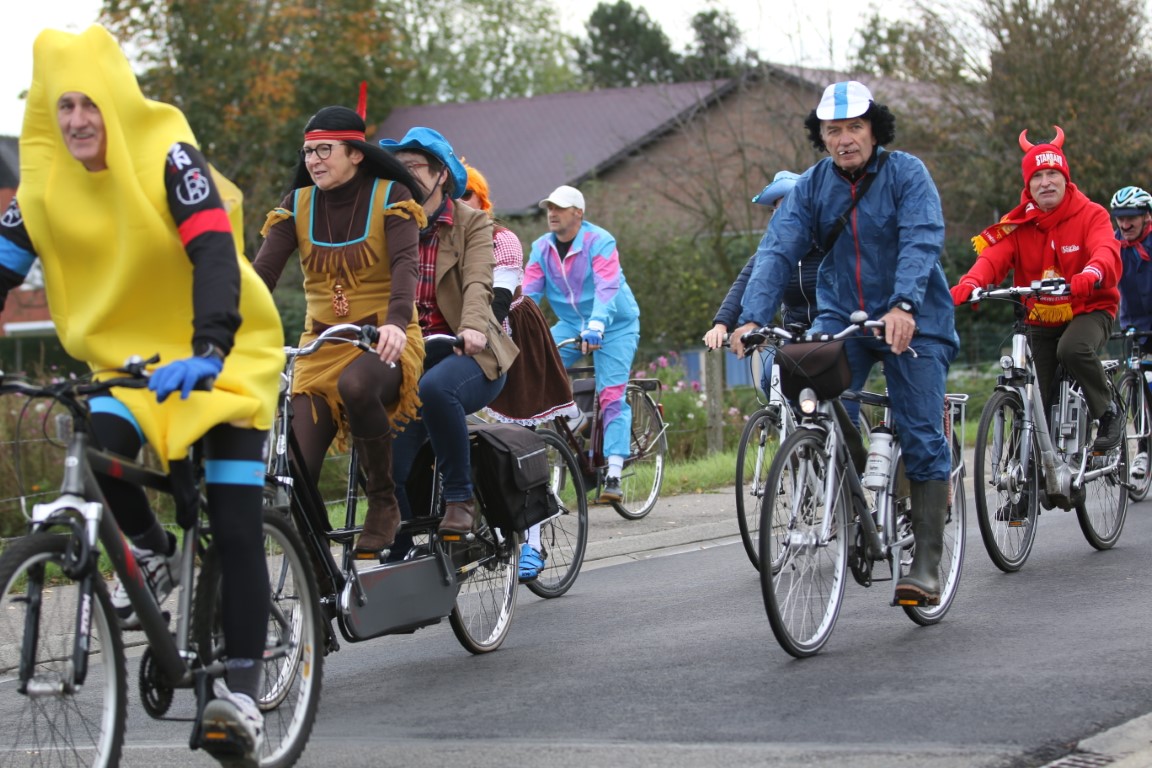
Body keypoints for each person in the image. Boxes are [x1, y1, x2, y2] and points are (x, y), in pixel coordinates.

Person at [0, 25, 284, 763]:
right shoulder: (41, 187)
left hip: (223, 355)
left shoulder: (168, 157)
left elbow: (214, 252)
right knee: (97, 446)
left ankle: (241, 696)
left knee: (234, 520)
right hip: (130, 368)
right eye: (62, 106)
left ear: (114, 100)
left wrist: (211, 347)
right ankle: (154, 556)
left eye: (88, 103)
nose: (76, 121)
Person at [735, 80, 958, 605]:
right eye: (833, 130)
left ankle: (926, 562)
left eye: (854, 127)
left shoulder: (907, 173)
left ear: (874, 130)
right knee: (810, 392)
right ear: (823, 137)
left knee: (920, 430)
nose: (844, 139)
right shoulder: (814, 185)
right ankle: (858, 493)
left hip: (915, 316)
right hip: (843, 315)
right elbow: (776, 249)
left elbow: (921, 238)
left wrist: (904, 304)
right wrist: (751, 317)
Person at [252, 103, 426, 559]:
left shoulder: (391, 197)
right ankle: (317, 576)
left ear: (356, 153)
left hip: (384, 339)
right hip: (320, 347)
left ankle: (383, 501)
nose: (313, 161)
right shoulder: (295, 205)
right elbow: (261, 275)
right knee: (294, 469)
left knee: (357, 384)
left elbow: (406, 265)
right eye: (308, 152)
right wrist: (226, 321)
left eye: (324, 150)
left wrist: (396, 322)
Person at [379, 128, 518, 537]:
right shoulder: (392, 223)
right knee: (387, 465)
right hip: (411, 354)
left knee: (436, 389)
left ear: (441, 174)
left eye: (414, 166)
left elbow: (478, 281)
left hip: (466, 350)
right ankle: (404, 550)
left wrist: (473, 327)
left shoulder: (472, 223)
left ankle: (460, 497)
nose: (404, 175)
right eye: (398, 168)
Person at [952, 127, 1123, 453]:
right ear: (1028, 186)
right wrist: (971, 282)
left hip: (1090, 308)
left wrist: (1092, 271)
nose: (1045, 182)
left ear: (1065, 179)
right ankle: (1026, 472)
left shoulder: (1092, 214)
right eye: (1037, 176)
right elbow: (992, 259)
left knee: (1072, 349)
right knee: (1034, 396)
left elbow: (1105, 250)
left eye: (1052, 174)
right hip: (1039, 315)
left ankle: (1108, 411)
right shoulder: (1018, 224)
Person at [458, 164, 576, 580]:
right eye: (453, 194)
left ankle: (534, 542)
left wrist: (477, 330)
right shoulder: (440, 240)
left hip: (511, 333)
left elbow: (500, 297)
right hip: (463, 336)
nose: (459, 202)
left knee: (521, 437)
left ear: (481, 200)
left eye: (466, 194)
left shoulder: (501, 239)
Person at [524, 185, 641, 504]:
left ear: (578, 213)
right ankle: (575, 415)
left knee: (611, 394)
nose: (552, 213)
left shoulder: (599, 241)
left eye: (560, 208)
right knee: (534, 367)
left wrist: (597, 324)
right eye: (549, 208)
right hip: (572, 324)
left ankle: (613, 473)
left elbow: (607, 286)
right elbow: (528, 296)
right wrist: (510, 328)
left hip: (614, 325)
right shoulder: (541, 248)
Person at [703, 170, 801, 391]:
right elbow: (746, 283)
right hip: (794, 332)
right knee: (770, 378)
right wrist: (721, 325)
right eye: (776, 210)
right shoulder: (770, 252)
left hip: (831, 329)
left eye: (788, 207)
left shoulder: (826, 242)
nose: (781, 215)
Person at [1109, 185, 1152, 478]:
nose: (1124, 224)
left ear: (1146, 216)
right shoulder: (1114, 244)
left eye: (1131, 218)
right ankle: (1144, 452)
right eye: (1120, 218)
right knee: (1138, 386)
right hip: (1133, 325)